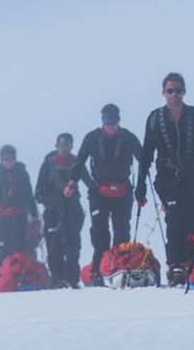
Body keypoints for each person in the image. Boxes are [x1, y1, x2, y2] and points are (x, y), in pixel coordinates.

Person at [135, 72, 194, 287]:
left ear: (184, 92)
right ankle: (176, 267)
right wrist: (141, 184)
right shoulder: (154, 118)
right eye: (170, 91)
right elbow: (146, 154)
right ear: (163, 93)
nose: (174, 95)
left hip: (193, 175)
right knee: (174, 221)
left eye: (178, 91)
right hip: (167, 177)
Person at [65, 104, 142, 286]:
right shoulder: (92, 138)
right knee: (100, 233)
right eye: (107, 121)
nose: (110, 125)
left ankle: (120, 267)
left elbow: (143, 159)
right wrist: (72, 182)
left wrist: (144, 185)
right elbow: (79, 161)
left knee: (122, 231)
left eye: (113, 121)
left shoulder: (128, 138)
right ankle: (98, 270)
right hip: (99, 191)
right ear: (102, 121)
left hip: (123, 191)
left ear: (118, 121)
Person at [35, 133, 92, 289]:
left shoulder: (77, 163)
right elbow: (38, 192)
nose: (65, 147)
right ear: (57, 146)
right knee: (55, 246)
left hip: (73, 211)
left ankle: (72, 279)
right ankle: (57, 279)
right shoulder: (48, 164)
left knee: (74, 246)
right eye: (62, 145)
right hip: (53, 211)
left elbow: (90, 184)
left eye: (68, 144)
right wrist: (53, 199)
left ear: (72, 146)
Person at [0, 144, 39, 266]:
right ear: (1, 160)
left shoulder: (23, 174)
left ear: (15, 159)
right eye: (6, 159)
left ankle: (18, 277)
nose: (9, 162)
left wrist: (34, 217)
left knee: (18, 246)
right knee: (3, 248)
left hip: (19, 214)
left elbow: (29, 196)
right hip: (1, 217)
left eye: (11, 159)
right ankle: (5, 276)